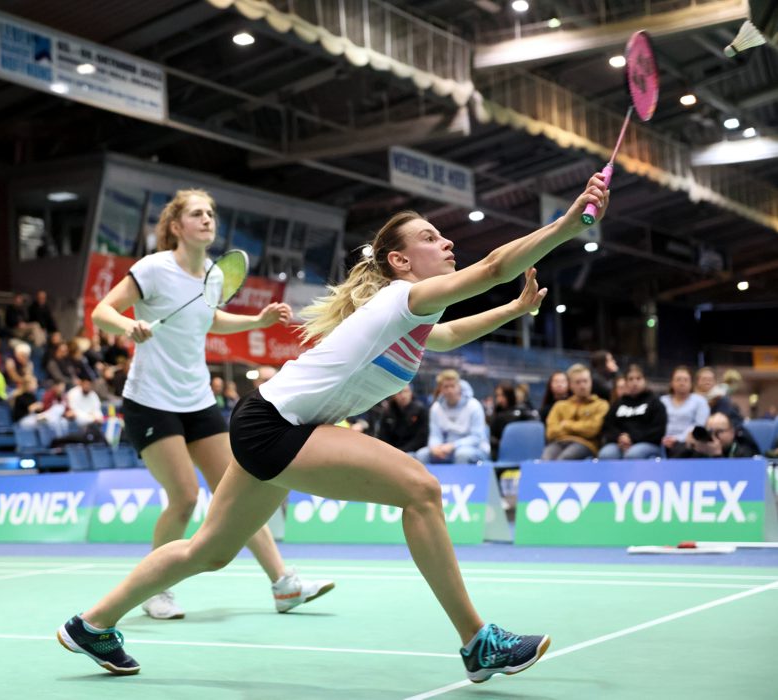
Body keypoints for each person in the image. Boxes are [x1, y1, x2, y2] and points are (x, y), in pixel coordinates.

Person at [57, 173, 608, 679]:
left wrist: (513, 311)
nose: (446, 244)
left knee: (208, 551)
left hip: (266, 421)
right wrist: (565, 224)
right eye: (432, 237)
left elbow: (448, 337)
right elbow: (491, 267)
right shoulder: (405, 298)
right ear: (400, 261)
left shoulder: (411, 317)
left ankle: (91, 624)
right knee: (421, 490)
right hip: (277, 426)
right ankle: (476, 641)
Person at [76, 189, 332, 621]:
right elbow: (102, 311)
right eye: (197, 214)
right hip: (151, 400)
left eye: (211, 213)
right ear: (176, 226)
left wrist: (257, 320)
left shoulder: (214, 275)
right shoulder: (152, 269)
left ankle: (284, 584)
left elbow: (210, 317)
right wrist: (128, 325)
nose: (207, 220)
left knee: (243, 487)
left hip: (197, 399)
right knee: (185, 497)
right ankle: (156, 590)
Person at [415, 369, 491, 464]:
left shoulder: (474, 405)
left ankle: (462, 479)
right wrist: (434, 448)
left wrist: (453, 445)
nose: (449, 390)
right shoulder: (436, 408)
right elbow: (435, 434)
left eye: (452, 386)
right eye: (446, 387)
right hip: (446, 448)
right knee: (422, 454)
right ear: (440, 389)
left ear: (459, 386)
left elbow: (476, 438)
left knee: (461, 454)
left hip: (475, 448)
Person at [598, 364, 666, 459]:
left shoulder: (655, 403)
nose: (635, 382)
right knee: (606, 454)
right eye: (631, 379)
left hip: (648, 443)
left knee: (632, 455)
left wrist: (632, 438)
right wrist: (619, 437)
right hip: (619, 443)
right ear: (626, 383)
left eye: (638, 379)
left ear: (645, 381)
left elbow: (658, 431)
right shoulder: (618, 403)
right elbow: (608, 426)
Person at [542, 364, 609, 460]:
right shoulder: (560, 406)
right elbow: (550, 433)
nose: (582, 386)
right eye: (578, 382)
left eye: (585, 381)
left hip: (585, 444)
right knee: (546, 459)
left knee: (565, 458)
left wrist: (566, 425)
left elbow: (592, 430)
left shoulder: (601, 405)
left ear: (591, 382)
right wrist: (580, 427)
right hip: (558, 443)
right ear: (571, 385)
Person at [660, 366, 710, 457]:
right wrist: (663, 439)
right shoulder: (662, 401)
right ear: (672, 382)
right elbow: (656, 423)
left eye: (685, 380)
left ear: (691, 383)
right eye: (678, 379)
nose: (682, 383)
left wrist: (678, 438)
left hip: (687, 442)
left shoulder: (700, 401)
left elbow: (699, 426)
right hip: (661, 441)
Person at [670, 411, 760, 459]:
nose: (713, 437)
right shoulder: (703, 447)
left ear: (732, 432)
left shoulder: (743, 451)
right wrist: (688, 447)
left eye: (719, 432)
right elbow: (673, 468)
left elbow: (734, 480)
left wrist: (717, 455)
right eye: (710, 432)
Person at [488, 382, 539, 459]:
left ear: (509, 395)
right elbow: (492, 437)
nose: (499, 399)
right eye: (497, 395)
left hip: (521, 449)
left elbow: (534, 426)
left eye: (502, 395)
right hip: (501, 451)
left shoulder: (521, 411)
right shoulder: (496, 415)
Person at [376, 384, 429, 455]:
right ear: (393, 395)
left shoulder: (420, 410)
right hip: (391, 451)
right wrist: (391, 451)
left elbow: (421, 438)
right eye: (399, 392)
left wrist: (402, 451)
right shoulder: (387, 412)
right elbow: (382, 436)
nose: (403, 396)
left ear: (411, 393)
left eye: (406, 391)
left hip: (412, 451)